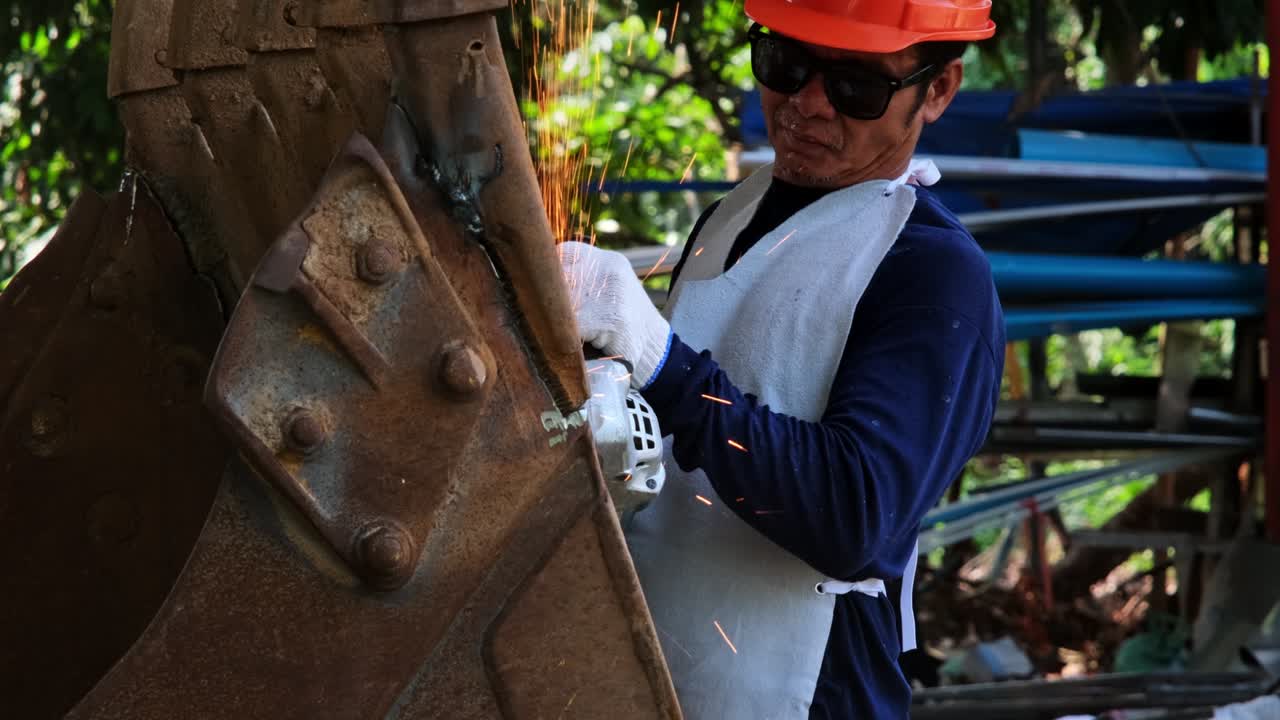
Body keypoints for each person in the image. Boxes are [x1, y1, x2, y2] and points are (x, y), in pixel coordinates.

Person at [559, 1, 1004, 717]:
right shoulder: (734, 212)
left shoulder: (933, 275)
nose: (807, 104)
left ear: (939, 88)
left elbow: (853, 515)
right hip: (655, 679)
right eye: (786, 64)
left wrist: (658, 359)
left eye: (856, 85)